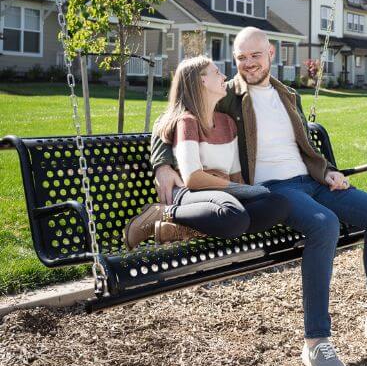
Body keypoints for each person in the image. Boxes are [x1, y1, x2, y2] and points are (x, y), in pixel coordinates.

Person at [151, 28, 367, 366]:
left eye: (254, 55)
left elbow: (303, 147)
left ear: (271, 53)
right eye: (241, 58)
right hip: (274, 190)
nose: (248, 64)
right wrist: (162, 163)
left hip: (313, 182)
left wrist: (329, 171)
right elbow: (179, 110)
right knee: (324, 225)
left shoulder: (289, 95)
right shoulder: (228, 95)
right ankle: (316, 340)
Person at [123, 55, 290, 249]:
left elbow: (236, 177)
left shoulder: (227, 123)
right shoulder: (187, 122)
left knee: (278, 203)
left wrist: (243, 190)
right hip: (189, 194)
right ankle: (164, 213)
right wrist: (242, 191)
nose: (224, 76)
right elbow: (193, 178)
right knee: (234, 215)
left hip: (221, 195)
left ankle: (184, 230)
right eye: (217, 72)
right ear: (202, 80)